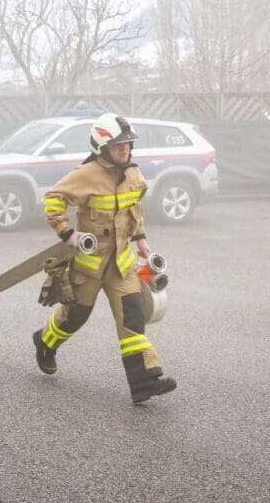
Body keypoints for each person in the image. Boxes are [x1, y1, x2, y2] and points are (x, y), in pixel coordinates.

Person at [32, 112, 177, 403]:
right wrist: (66, 233)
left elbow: (135, 209)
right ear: (101, 147)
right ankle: (45, 342)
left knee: (133, 318)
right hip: (89, 266)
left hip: (120, 265)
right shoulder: (86, 174)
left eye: (128, 145)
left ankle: (144, 382)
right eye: (118, 146)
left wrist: (141, 240)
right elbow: (52, 198)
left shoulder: (134, 175)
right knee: (75, 317)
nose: (125, 150)